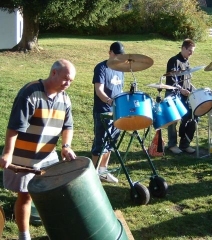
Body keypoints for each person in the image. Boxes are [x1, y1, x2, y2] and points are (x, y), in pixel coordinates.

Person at [0, 59, 77, 240]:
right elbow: (14, 127)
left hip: (48, 157)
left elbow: (68, 127)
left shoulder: (65, 99)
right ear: (53, 73)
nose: (68, 84)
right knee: (25, 196)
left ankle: (54, 231)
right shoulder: (30, 93)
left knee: (51, 195)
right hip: (23, 157)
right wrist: (8, 153)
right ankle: (24, 235)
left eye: (71, 81)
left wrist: (66, 146)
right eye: (66, 79)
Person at [91, 41, 125, 183]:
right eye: (116, 54)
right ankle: (93, 175)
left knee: (111, 142)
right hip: (103, 111)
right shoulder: (101, 67)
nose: (118, 57)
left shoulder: (120, 69)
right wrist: (110, 101)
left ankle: (103, 171)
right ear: (110, 52)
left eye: (120, 55)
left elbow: (120, 90)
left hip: (116, 111)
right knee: (100, 142)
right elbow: (99, 90)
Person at [165, 38, 197, 154]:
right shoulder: (174, 61)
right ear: (183, 48)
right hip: (173, 95)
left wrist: (193, 90)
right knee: (173, 120)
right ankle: (172, 144)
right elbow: (171, 80)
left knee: (190, 118)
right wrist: (181, 90)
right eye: (189, 50)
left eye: (192, 51)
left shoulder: (187, 62)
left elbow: (187, 80)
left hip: (185, 96)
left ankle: (185, 144)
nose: (191, 53)